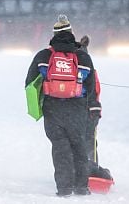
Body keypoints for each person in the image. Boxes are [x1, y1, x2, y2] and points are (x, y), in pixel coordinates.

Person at [25, 15, 101, 197]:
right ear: (71, 33)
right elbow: (91, 86)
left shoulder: (44, 55)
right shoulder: (82, 56)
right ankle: (81, 187)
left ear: (54, 34)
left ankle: (64, 188)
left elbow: (29, 83)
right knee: (79, 146)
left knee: (60, 148)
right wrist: (91, 107)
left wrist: (40, 104)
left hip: (53, 108)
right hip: (77, 108)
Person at [78, 35, 112, 180]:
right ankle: (90, 170)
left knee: (76, 140)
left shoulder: (73, 65)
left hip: (70, 109)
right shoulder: (87, 67)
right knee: (89, 140)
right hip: (87, 110)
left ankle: (76, 169)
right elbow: (95, 91)